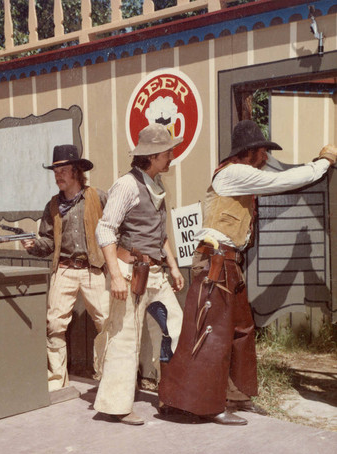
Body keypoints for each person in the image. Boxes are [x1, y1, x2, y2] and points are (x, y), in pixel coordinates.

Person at [159, 120, 337, 425]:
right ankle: (210, 405)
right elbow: (282, 181)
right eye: (263, 152)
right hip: (215, 262)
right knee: (212, 336)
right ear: (249, 152)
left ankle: (238, 397)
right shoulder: (233, 173)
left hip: (228, 262)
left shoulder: (240, 173)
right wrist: (322, 163)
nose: (266, 157)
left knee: (242, 330)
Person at [93, 123, 184, 426]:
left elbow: (161, 233)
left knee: (176, 326)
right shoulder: (127, 185)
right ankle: (116, 406)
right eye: (168, 152)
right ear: (154, 155)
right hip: (130, 272)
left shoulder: (158, 184)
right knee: (125, 336)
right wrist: (116, 276)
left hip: (156, 272)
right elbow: (104, 229)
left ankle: (173, 396)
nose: (172, 156)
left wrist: (172, 265)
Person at [21, 144, 110, 394]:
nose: (58, 176)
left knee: (105, 322)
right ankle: (57, 381)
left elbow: (116, 228)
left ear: (77, 172)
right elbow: (48, 242)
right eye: (55, 171)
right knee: (54, 324)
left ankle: (107, 378)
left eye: (63, 171)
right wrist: (33, 245)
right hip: (64, 269)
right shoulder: (52, 206)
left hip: (94, 269)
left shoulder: (98, 197)